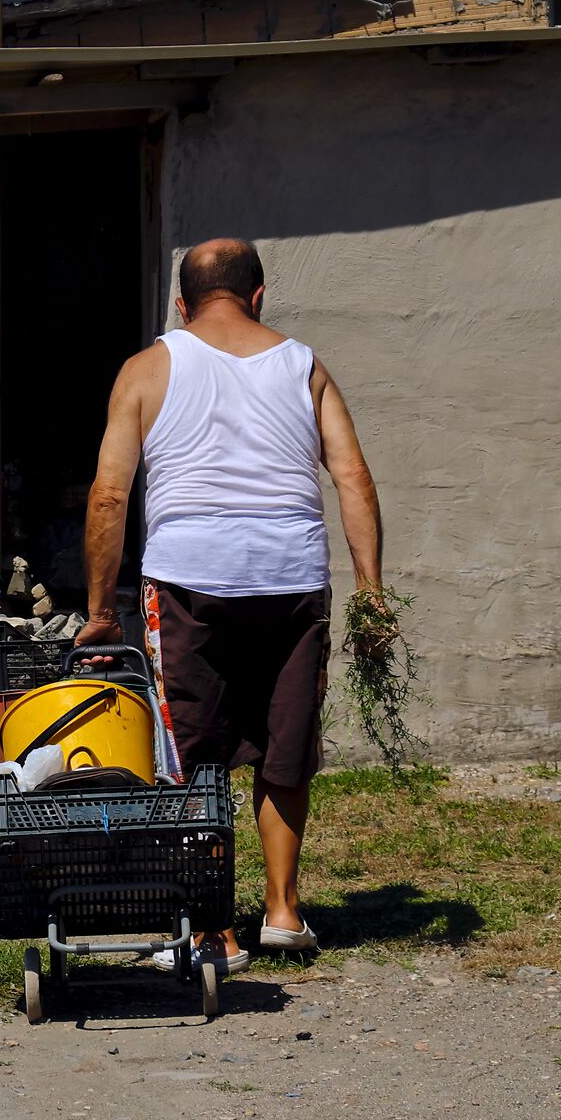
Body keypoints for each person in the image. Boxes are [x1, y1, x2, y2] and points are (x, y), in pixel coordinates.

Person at [73, 238, 386, 970]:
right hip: (292, 578)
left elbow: (110, 493)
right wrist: (371, 593)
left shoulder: (148, 368)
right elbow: (353, 477)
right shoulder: (303, 365)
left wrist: (99, 609)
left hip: (189, 579)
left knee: (190, 752)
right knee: (285, 749)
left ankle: (213, 929)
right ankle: (282, 910)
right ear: (259, 295)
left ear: (181, 304)